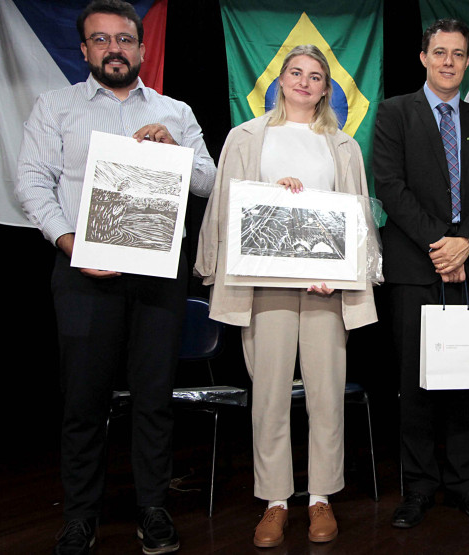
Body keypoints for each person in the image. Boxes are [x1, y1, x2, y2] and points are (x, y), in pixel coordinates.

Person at [14, 1, 216, 553]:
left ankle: (153, 508)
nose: (114, 49)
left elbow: (208, 181)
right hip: (84, 271)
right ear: (84, 50)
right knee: (84, 400)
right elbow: (31, 184)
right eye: (101, 40)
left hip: (158, 274)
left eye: (124, 39)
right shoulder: (55, 108)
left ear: (142, 48)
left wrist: (177, 153)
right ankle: (80, 515)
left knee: (153, 398)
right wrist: (71, 243)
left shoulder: (175, 111)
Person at [194, 44, 377, 548]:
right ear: (280, 81)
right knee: (270, 394)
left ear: (325, 88)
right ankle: (275, 502)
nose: (304, 81)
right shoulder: (246, 137)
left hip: (324, 289)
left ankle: (320, 496)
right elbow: (229, 209)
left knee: (325, 393)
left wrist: (344, 272)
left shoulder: (344, 146)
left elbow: (357, 219)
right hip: (265, 285)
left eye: (315, 76)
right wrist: (276, 195)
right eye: (295, 72)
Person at [373, 18, 469, 528]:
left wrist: (466, 243)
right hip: (415, 265)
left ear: (468, 61)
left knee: (468, 381)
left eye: (458, 54)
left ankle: (465, 486)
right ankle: (420, 487)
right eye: (440, 52)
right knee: (418, 382)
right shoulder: (393, 114)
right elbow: (390, 186)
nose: (449, 61)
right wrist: (440, 245)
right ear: (424, 57)